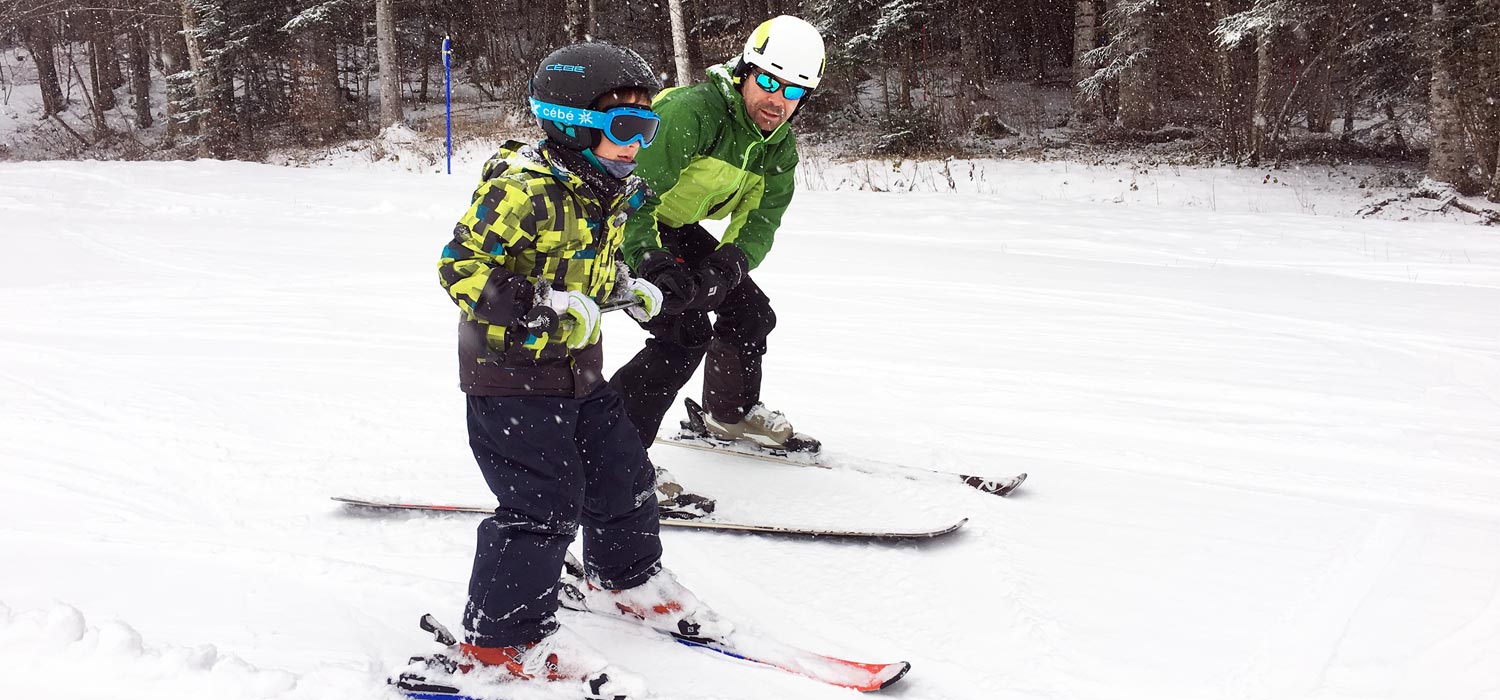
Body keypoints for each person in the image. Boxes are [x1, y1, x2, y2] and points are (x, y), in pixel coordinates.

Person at [431, 42, 728, 699]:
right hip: (509, 374)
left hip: (579, 372)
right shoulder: (525, 185)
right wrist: (543, 307)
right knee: (542, 503)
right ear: (571, 121)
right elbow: (461, 267)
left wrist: (626, 289)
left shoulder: (605, 187)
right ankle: (499, 642)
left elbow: (584, 265)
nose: (638, 143)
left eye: (646, 128)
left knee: (623, 468)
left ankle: (624, 579)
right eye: (626, 127)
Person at [608, 16, 827, 512]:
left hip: (675, 227)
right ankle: (613, 457)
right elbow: (629, 194)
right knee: (682, 336)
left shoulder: (778, 146)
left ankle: (729, 413)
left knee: (749, 312)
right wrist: (648, 259)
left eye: (793, 91)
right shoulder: (694, 113)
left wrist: (728, 265)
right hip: (618, 224)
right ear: (745, 72)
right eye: (768, 81)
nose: (777, 99)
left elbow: (761, 219)